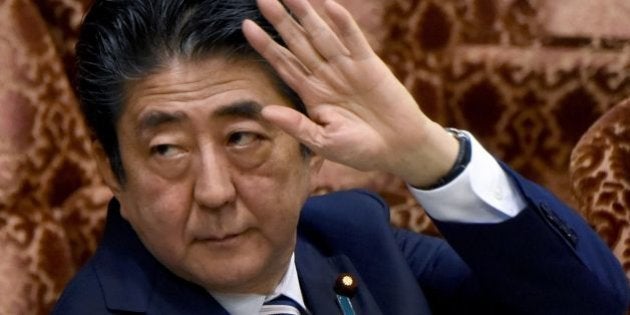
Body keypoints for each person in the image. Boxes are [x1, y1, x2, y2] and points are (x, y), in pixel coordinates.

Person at [52, 0, 628, 314]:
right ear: (114, 173)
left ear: (312, 147)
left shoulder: (353, 235)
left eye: (242, 138)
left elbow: (595, 307)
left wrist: (429, 154)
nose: (215, 191)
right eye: (167, 149)